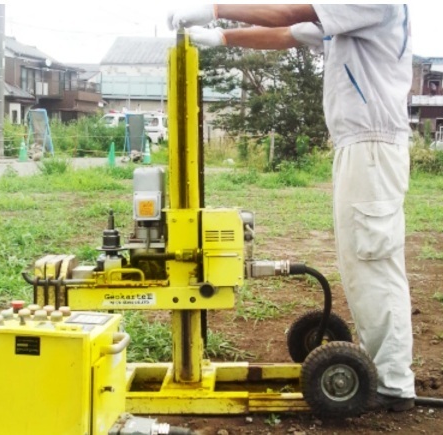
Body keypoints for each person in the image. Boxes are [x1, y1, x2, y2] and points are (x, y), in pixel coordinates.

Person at [167, 5, 416, 413]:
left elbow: (288, 12)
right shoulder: (345, 22)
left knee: (374, 261)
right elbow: (288, 33)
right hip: (359, 146)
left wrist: (215, 9)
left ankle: (393, 382)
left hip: (372, 146)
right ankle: (383, 371)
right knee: (361, 262)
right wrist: (224, 37)